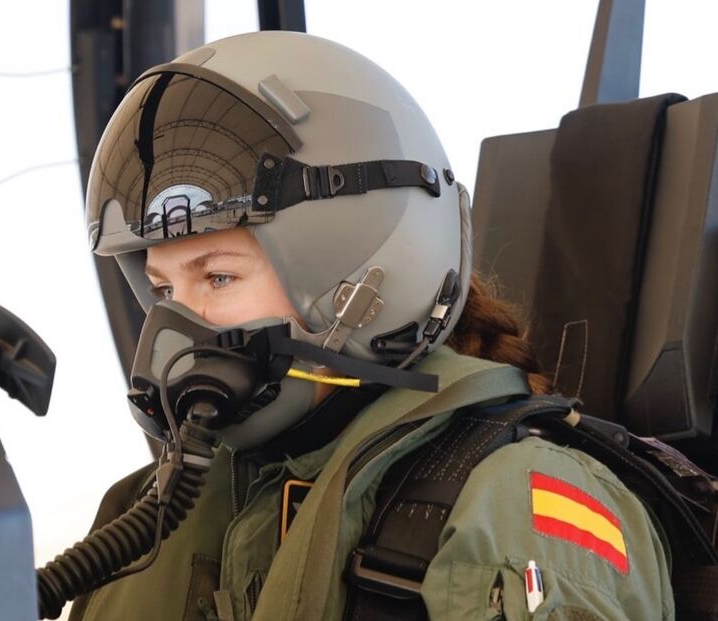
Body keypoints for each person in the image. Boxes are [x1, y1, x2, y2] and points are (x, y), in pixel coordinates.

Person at [65, 31, 673, 620]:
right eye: (164, 289)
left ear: (358, 285)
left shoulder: (517, 508)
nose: (175, 327)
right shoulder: (147, 515)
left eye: (218, 278)